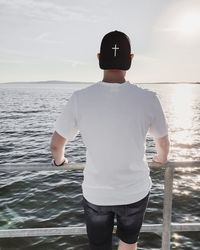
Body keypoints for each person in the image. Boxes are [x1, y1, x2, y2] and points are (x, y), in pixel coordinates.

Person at [50, 30, 170, 250]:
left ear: (99, 58)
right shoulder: (148, 99)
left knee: (99, 246)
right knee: (128, 245)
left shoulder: (80, 98)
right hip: (135, 191)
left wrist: (60, 161)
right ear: (131, 59)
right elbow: (163, 145)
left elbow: (56, 144)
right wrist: (160, 160)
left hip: (97, 193)